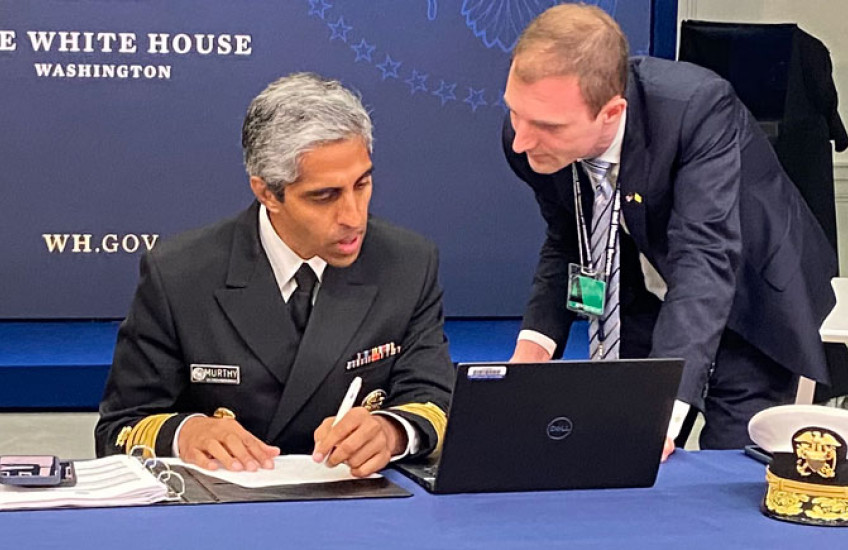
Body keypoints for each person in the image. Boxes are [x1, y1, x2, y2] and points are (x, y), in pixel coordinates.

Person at [501, 4, 840, 455]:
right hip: (646, 298)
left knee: (727, 466)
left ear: (611, 112)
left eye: (546, 126)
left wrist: (663, 408)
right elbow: (569, 239)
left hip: (751, 304)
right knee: (620, 453)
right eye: (515, 112)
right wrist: (535, 345)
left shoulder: (698, 109)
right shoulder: (527, 135)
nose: (521, 140)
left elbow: (705, 258)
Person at [95, 73, 454, 477]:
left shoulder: (407, 263)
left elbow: (433, 400)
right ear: (267, 192)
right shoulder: (179, 275)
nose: (354, 217)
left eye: (362, 184)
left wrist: (391, 432)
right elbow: (119, 429)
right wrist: (187, 432)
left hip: (359, 502)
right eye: (325, 196)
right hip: (228, 505)